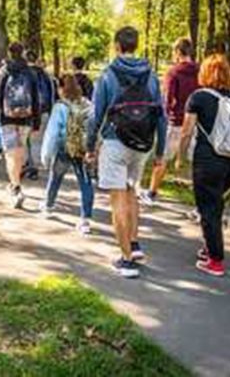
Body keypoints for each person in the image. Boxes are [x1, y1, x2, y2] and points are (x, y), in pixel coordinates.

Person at [86, 26, 166, 279]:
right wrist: (160, 151)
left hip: (115, 142)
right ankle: (134, 243)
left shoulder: (108, 75)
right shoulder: (150, 76)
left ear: (117, 46)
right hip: (142, 144)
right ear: (136, 45)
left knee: (118, 199)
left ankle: (126, 260)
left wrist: (89, 147)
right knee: (132, 192)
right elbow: (160, 115)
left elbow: (95, 115)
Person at [179, 54, 230, 277]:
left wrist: (180, 156)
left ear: (205, 73)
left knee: (208, 209)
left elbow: (187, 131)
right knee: (215, 206)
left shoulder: (198, 97)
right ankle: (209, 247)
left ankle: (215, 261)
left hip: (208, 162)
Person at [139, 38, 199, 207]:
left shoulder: (173, 73)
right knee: (198, 162)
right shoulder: (201, 71)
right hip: (197, 123)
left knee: (162, 158)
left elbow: (167, 100)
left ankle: (151, 193)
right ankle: (201, 201)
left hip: (176, 122)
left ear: (177, 52)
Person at [0, 42, 41, 209]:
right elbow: (36, 99)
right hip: (26, 119)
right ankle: (16, 182)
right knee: (20, 152)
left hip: (6, 118)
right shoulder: (30, 73)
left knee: (10, 153)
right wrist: (36, 122)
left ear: (9, 53)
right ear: (22, 53)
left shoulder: (2, 72)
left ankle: (15, 187)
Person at [40, 74, 95, 235]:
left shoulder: (60, 106)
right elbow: (94, 127)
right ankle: (85, 220)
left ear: (62, 88)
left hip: (65, 148)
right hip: (83, 149)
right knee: (85, 182)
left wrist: (46, 156)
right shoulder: (87, 104)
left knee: (56, 177)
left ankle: (48, 205)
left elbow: (52, 134)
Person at [22, 50, 56, 180]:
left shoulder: (22, 74)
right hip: (43, 112)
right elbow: (52, 95)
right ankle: (34, 167)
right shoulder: (45, 75)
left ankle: (25, 164)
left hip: (25, 112)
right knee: (37, 141)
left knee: (24, 141)